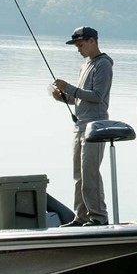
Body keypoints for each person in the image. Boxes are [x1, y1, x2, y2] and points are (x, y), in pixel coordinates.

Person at [50, 26, 114, 226]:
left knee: (90, 174)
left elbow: (97, 96)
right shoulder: (86, 64)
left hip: (95, 127)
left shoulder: (103, 64)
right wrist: (63, 97)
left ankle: (99, 217)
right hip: (80, 126)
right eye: (76, 46)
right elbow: (80, 98)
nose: (78, 49)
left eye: (81, 45)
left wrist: (68, 87)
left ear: (92, 41)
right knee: (78, 175)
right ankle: (81, 217)